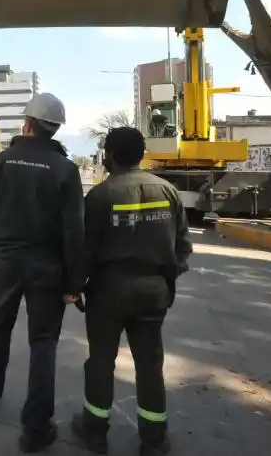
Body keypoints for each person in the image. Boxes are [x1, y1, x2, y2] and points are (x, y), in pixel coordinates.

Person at [0, 92, 87, 453]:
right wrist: (74, 282)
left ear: (27, 123)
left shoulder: (3, 161)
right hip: (48, 268)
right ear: (53, 130)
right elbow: (74, 231)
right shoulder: (66, 169)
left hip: (6, 262)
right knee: (43, 343)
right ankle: (36, 428)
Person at [71, 126, 193, 456]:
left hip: (107, 292)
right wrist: (166, 280)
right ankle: (154, 440)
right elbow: (183, 248)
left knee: (100, 362)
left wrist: (73, 288)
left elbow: (85, 251)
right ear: (141, 154)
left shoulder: (99, 197)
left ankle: (94, 431)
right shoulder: (168, 192)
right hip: (153, 292)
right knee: (150, 364)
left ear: (109, 155)